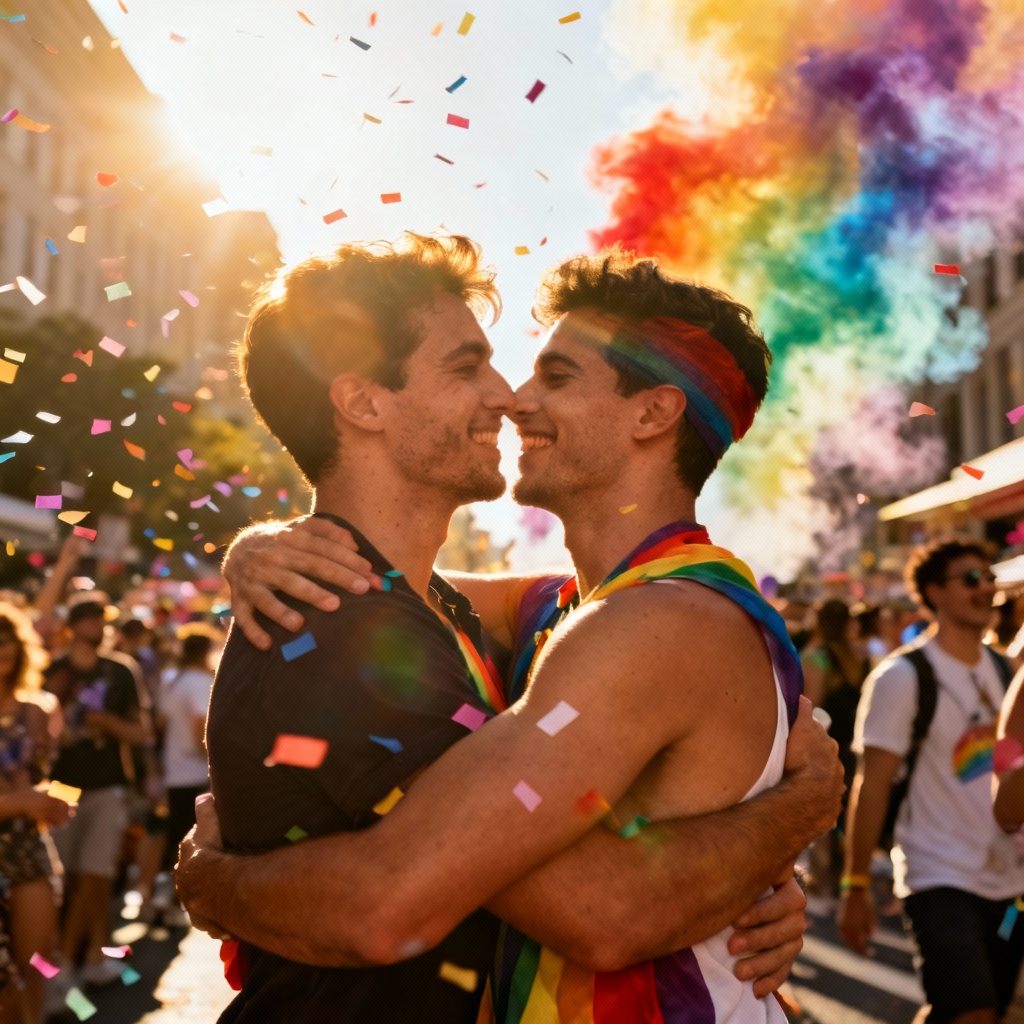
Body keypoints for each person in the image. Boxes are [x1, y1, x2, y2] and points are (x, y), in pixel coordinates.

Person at [176, 237, 844, 1022]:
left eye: (553, 376)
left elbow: (587, 910)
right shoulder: (548, 609)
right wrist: (256, 546)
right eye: (469, 368)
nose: (512, 397)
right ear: (362, 402)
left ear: (655, 412)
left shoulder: (656, 620)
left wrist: (216, 883)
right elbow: (406, 586)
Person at [839, 537, 1024, 1024]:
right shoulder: (901, 677)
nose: (985, 589)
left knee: (971, 1010)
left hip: (1008, 880)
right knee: (974, 1013)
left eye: (989, 579)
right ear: (933, 592)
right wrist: (855, 885)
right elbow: (871, 786)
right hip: (936, 874)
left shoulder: (1007, 671)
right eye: (970, 579)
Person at [43, 598, 149, 988]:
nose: (98, 627)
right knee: (60, 879)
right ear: (73, 625)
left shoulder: (121, 671)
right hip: (61, 785)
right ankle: (60, 962)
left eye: (102, 620)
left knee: (96, 876)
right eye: (90, 620)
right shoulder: (51, 670)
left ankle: (75, 959)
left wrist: (108, 723)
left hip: (107, 783)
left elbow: (140, 733)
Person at [0, 604, 71, 1024]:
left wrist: (57, 801)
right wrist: (20, 802)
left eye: (7, 637)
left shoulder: (39, 708)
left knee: (37, 964)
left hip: (29, 846)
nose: (2, 647)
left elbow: (49, 777)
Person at [155, 622, 222, 927]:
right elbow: (200, 729)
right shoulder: (197, 682)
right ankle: (174, 901)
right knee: (187, 842)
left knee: (174, 837)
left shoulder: (171, 679)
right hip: (194, 773)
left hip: (173, 770)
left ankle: (165, 898)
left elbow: (160, 722)